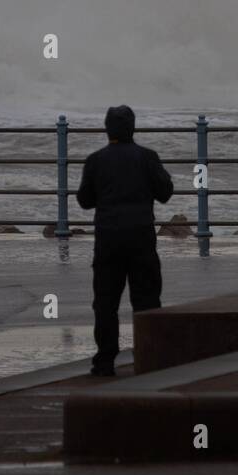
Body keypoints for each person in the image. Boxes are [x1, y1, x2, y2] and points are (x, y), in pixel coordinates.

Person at [77, 105, 175, 375]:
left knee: (106, 301)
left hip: (108, 238)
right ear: (133, 128)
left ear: (106, 129)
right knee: (146, 298)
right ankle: (150, 356)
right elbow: (165, 193)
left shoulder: (95, 160)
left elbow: (84, 200)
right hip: (141, 236)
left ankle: (105, 360)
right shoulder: (147, 157)